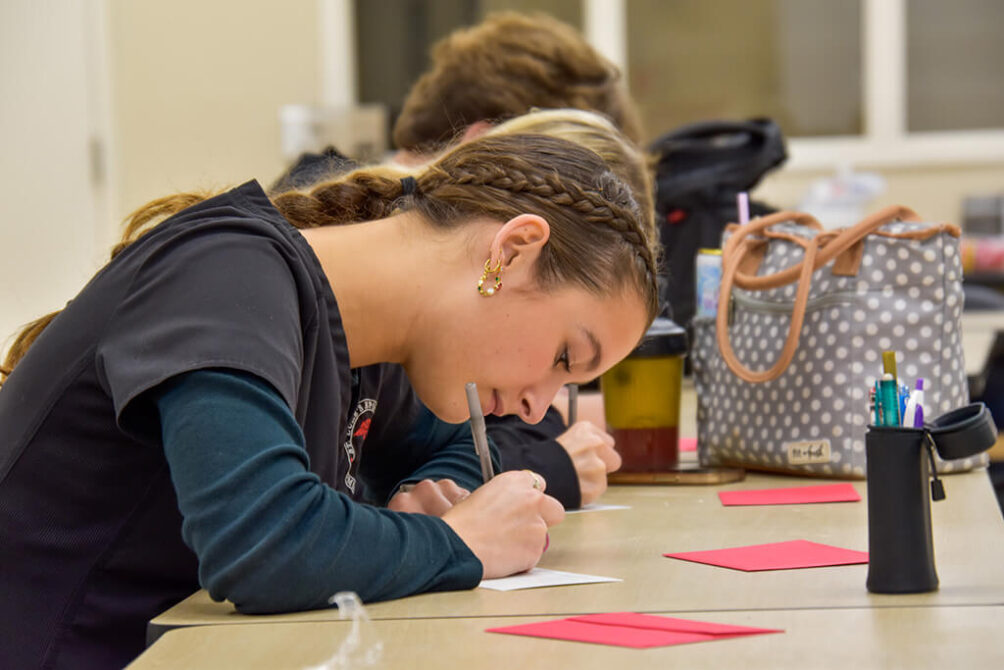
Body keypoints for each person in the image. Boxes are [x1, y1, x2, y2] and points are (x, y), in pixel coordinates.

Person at [0, 111, 660, 668]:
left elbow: (468, 449)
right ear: (511, 251)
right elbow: (265, 546)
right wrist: (459, 542)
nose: (537, 404)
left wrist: (442, 506)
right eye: (564, 356)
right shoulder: (227, 277)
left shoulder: (375, 354)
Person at [275, 11, 649, 507]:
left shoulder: (398, 332)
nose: (537, 408)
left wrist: (430, 508)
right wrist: (448, 538)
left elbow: (451, 445)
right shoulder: (262, 283)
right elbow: (274, 538)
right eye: (564, 356)